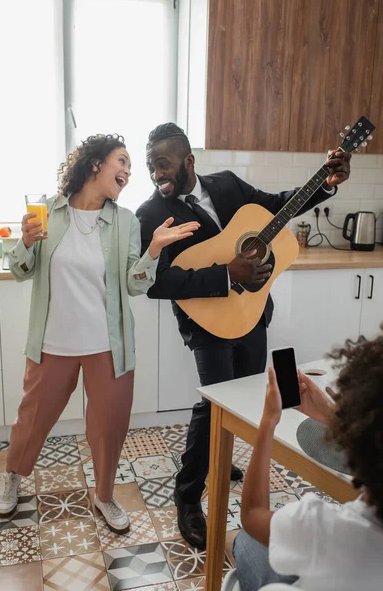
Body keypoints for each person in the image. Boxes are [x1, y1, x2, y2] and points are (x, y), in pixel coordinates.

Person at [136, 122, 351, 549]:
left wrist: (324, 184)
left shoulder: (227, 184)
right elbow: (156, 282)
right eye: (149, 167)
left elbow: (276, 207)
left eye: (163, 164)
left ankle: (222, 461)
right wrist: (225, 273)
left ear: (188, 161)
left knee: (249, 395)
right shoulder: (151, 214)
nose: (156, 173)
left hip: (251, 312)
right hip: (205, 323)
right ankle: (187, 495)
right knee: (212, 403)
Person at [0, 133, 199, 533]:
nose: (127, 171)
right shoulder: (48, 212)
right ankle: (13, 476)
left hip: (109, 346)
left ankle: (104, 495)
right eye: (121, 161)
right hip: (54, 342)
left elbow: (134, 284)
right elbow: (21, 272)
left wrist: (153, 250)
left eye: (129, 167)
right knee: (32, 419)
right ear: (95, 164)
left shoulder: (125, 221)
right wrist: (26, 242)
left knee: (109, 426)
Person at [234, 331, 383, 591]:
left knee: (247, 540)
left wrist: (269, 420)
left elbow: (252, 515)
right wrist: (337, 420)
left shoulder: (325, 530)